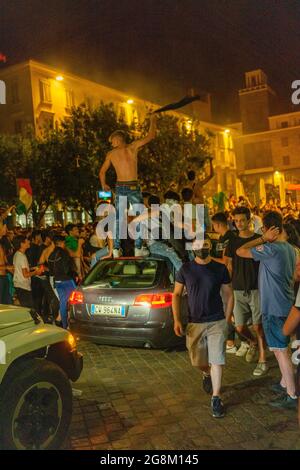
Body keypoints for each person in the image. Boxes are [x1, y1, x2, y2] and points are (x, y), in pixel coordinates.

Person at [237, 211, 297, 409]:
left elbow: (241, 251)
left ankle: (291, 394)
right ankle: (284, 383)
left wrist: (263, 239)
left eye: (263, 228)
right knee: (284, 348)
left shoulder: (271, 249)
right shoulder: (289, 248)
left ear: (270, 229)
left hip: (273, 307)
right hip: (286, 304)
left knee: (280, 352)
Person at [172, 236, 234, 418]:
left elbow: (229, 294)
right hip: (194, 322)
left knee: (217, 359)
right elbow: (176, 294)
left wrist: (227, 318)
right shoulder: (185, 269)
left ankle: (216, 397)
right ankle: (206, 374)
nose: (202, 248)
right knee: (198, 361)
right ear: (193, 248)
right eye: (198, 245)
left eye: (205, 245)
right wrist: (176, 319)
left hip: (216, 320)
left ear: (210, 246)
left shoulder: (219, 268)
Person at [99, 114, 157, 258]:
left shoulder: (111, 154)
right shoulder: (133, 147)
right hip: (132, 187)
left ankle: (117, 249)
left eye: (112, 141)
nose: (111, 144)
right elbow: (151, 136)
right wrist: (153, 120)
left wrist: (104, 184)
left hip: (120, 188)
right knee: (139, 216)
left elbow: (101, 172)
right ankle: (138, 248)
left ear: (118, 139)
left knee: (119, 218)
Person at [225, 206, 267, 376]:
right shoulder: (232, 242)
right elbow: (227, 264)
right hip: (237, 289)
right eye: (236, 221)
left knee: (258, 325)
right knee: (240, 327)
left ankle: (263, 359)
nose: (239, 223)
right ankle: (253, 343)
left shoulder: (259, 239)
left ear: (249, 220)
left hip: (256, 287)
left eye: (243, 220)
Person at [48, 235, 77, 329]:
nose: (64, 244)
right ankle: (75, 322)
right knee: (75, 300)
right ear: (60, 243)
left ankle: (64, 325)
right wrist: (73, 275)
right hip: (67, 280)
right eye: (64, 243)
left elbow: (50, 270)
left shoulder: (51, 255)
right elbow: (68, 268)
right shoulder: (64, 253)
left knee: (63, 302)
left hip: (57, 281)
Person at [13, 235, 42, 308]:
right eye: (26, 240)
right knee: (29, 309)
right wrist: (36, 272)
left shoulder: (18, 254)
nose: (29, 241)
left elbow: (19, 269)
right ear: (22, 244)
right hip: (23, 286)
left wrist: (33, 268)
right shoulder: (21, 256)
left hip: (20, 285)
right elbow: (25, 274)